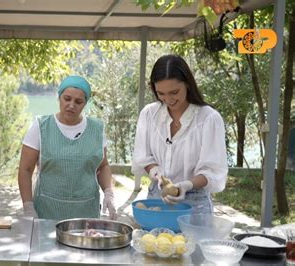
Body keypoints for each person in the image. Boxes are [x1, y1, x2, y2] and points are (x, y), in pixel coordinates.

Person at [131, 55, 228, 214]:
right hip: (157, 199)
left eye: (174, 92)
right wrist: (155, 172)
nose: (168, 99)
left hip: (195, 204)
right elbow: (143, 157)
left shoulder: (208, 119)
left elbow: (212, 171)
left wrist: (186, 185)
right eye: (161, 93)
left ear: (188, 84)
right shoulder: (149, 114)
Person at [18, 76, 117, 221]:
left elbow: (103, 166)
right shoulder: (41, 126)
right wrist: (28, 206)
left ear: (85, 103)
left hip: (86, 214)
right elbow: (25, 170)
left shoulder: (96, 129)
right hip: (47, 212)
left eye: (78, 102)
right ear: (59, 98)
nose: (71, 105)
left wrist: (109, 193)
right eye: (67, 99)